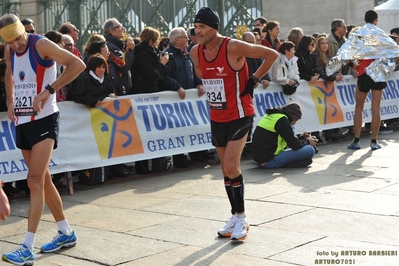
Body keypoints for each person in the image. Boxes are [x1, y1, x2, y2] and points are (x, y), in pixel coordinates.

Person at [0, 13, 85, 265]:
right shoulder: (9, 49)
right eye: (10, 41)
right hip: (23, 121)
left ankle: (27, 246)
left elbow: (77, 65)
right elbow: (9, 74)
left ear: (23, 31)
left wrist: (49, 90)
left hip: (46, 119)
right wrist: (10, 99)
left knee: (34, 181)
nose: (16, 45)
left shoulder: (41, 44)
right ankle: (66, 232)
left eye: (17, 38)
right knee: (44, 179)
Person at [191, 7, 278, 241]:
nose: (197, 31)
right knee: (225, 169)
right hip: (217, 116)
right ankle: (234, 216)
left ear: (214, 28)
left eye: (202, 27)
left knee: (231, 165)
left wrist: (254, 78)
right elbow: (205, 77)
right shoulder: (195, 52)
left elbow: (272, 55)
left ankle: (241, 216)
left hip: (240, 113)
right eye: (196, 27)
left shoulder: (233, 47)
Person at [161, 27, 205, 167]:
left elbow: (194, 71)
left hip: (189, 98)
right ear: (177, 40)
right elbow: (165, 76)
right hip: (176, 99)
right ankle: (179, 158)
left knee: (192, 126)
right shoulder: (167, 55)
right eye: (185, 37)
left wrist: (198, 84)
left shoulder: (187, 54)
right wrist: (177, 87)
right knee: (178, 129)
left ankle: (196, 154)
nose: (187, 39)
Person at [347, 10, 389, 151]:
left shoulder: (359, 34)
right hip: (378, 72)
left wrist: (352, 65)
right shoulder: (382, 35)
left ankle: (357, 140)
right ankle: (374, 142)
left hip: (364, 72)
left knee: (359, 107)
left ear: (365, 19)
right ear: (376, 20)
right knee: (376, 108)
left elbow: (347, 54)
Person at [252, 102, 317, 168]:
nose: (294, 123)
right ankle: (287, 164)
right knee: (310, 150)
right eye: (295, 120)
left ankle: (289, 163)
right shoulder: (282, 120)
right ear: (292, 116)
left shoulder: (273, 116)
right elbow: (295, 145)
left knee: (307, 155)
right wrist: (308, 141)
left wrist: (301, 137)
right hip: (269, 161)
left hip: (261, 159)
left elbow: (287, 141)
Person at [131, 26, 169, 94]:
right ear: (151, 41)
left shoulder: (153, 52)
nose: (158, 41)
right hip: (144, 92)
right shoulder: (142, 54)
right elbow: (151, 75)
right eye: (157, 39)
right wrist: (162, 64)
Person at [103, 18, 135, 95]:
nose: (123, 29)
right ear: (112, 31)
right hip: (118, 92)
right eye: (120, 27)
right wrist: (130, 50)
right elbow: (123, 65)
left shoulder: (117, 45)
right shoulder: (109, 47)